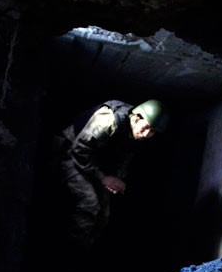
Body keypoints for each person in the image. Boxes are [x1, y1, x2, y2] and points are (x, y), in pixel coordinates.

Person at [54, 99, 169, 260]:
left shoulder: (136, 136)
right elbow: (79, 150)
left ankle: (79, 261)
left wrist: (117, 180)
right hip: (71, 152)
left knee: (103, 214)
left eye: (152, 131)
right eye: (146, 128)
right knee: (89, 204)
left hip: (93, 163)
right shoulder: (110, 120)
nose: (146, 134)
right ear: (136, 118)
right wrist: (103, 178)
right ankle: (64, 261)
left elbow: (122, 159)